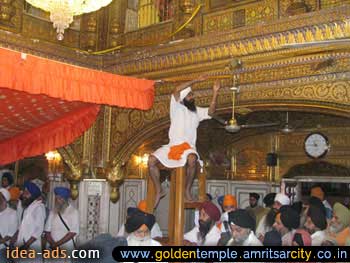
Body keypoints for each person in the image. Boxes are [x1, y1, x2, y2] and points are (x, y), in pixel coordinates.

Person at [148, 75, 221, 207]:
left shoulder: (196, 111)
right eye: (190, 95)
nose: (192, 97)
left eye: (192, 95)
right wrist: (195, 80)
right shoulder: (176, 107)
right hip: (172, 146)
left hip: (188, 147)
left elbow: (210, 112)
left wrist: (215, 93)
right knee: (151, 160)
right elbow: (176, 90)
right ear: (183, 98)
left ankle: (187, 190)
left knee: (192, 159)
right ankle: (159, 189)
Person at [44, 187, 79, 251]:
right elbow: (47, 230)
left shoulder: (73, 212)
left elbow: (73, 232)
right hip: (52, 247)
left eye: (59, 198)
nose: (57, 201)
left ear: (65, 199)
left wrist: (57, 244)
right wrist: (52, 244)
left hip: (66, 247)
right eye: (56, 198)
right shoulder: (53, 211)